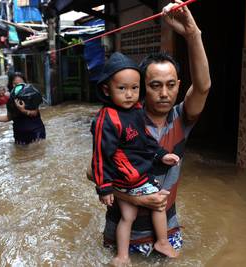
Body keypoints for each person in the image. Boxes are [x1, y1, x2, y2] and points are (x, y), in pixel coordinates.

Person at [87, 0, 211, 257]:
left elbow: (202, 87)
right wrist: (137, 199)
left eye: (170, 85)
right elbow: (91, 172)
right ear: (142, 88)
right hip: (122, 230)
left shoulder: (182, 119)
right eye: (155, 85)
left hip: (167, 229)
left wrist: (192, 34)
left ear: (178, 85)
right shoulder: (122, 119)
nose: (164, 93)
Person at [91, 52, 181, 266]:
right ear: (106, 89)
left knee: (127, 217)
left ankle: (122, 257)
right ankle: (162, 242)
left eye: (134, 88)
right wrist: (104, 188)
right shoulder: (107, 119)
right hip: (130, 176)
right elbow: (99, 156)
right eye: (122, 89)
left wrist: (161, 155)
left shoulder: (136, 110)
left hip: (130, 176)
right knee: (159, 202)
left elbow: (146, 140)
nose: (129, 94)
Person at [0, 72, 46, 145]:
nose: (18, 86)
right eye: (15, 84)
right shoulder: (10, 100)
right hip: (20, 134)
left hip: (36, 132)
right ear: (11, 85)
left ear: (25, 84)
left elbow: (35, 112)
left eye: (20, 83)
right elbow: (9, 117)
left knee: (38, 152)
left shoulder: (31, 96)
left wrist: (23, 110)